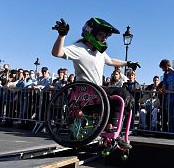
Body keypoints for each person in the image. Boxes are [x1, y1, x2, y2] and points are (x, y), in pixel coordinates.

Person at [51, 17, 140, 149]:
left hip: (97, 91)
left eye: (105, 36)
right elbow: (57, 53)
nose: (103, 39)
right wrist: (62, 35)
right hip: (84, 91)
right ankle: (111, 129)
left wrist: (128, 63)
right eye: (100, 35)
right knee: (121, 93)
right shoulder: (79, 48)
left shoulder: (99, 52)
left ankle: (114, 131)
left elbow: (111, 61)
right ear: (91, 33)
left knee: (128, 99)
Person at [159, 59, 174, 134]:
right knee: (170, 117)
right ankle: (171, 133)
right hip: (168, 98)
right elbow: (164, 87)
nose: (162, 70)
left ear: (166, 66)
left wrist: (169, 91)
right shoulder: (165, 75)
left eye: (163, 68)